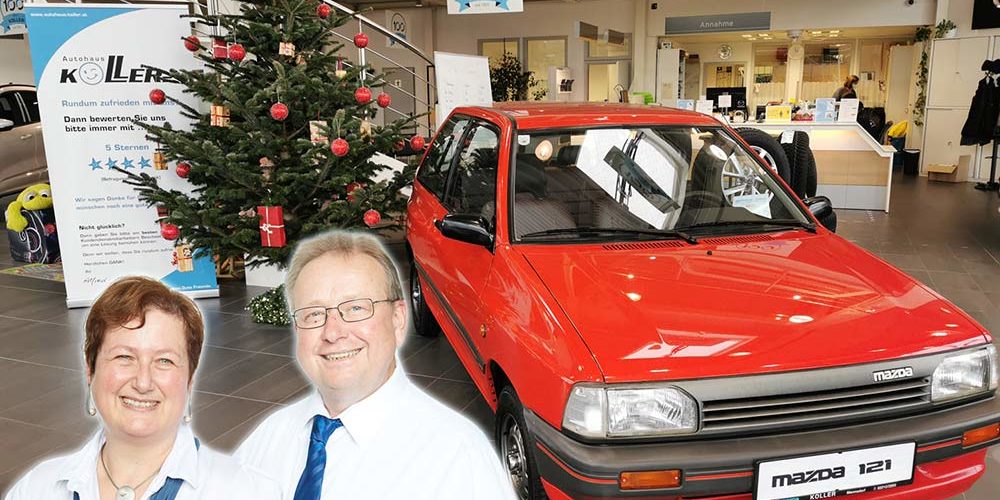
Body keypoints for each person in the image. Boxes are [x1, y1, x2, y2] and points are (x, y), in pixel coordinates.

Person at [235, 230, 515, 500]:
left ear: (398, 319)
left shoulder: (457, 457)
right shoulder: (266, 441)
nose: (333, 332)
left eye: (356, 308)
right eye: (313, 314)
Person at [5, 276, 280, 500]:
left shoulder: (250, 492)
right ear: (91, 370)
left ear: (190, 379)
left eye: (164, 360)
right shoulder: (36, 489)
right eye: (125, 357)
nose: (143, 381)